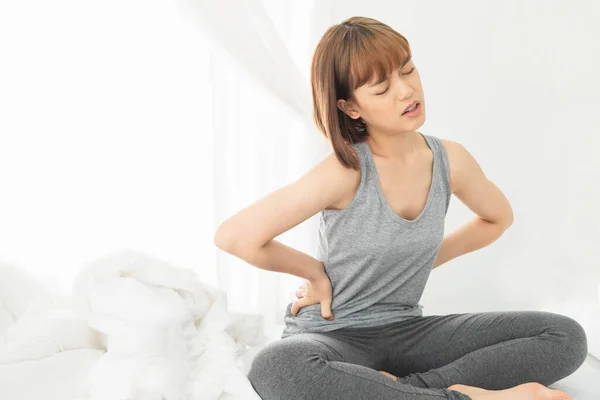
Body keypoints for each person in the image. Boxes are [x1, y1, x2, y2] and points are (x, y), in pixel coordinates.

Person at [214, 16, 587, 400]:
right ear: (351, 107)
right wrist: (314, 273)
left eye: (408, 69)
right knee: (276, 367)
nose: (407, 90)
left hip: (409, 334)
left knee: (564, 336)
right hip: (332, 336)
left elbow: (497, 218)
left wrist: (420, 261)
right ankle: (470, 396)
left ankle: (405, 391)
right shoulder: (346, 171)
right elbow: (235, 236)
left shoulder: (449, 160)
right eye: (382, 88)